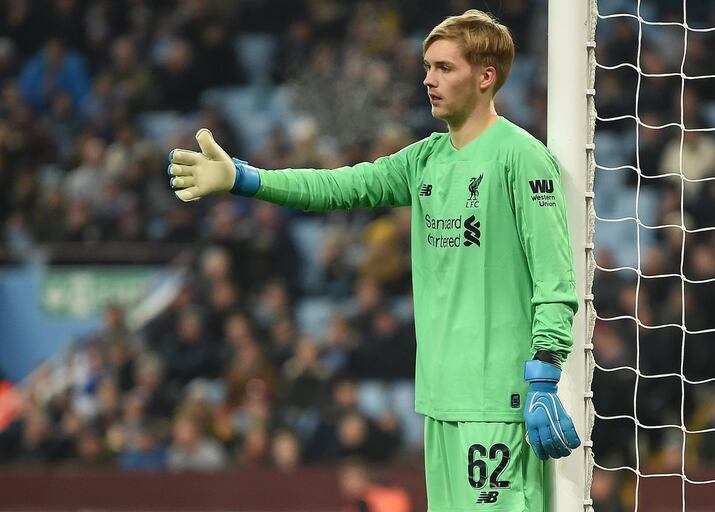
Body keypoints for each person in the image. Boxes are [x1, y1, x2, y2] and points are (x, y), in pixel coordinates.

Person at [167, 9, 580, 511]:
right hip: (441, 399)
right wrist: (246, 179)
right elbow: (338, 186)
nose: (428, 79)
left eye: (445, 68)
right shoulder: (425, 159)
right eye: (427, 66)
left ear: (486, 76)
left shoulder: (523, 158)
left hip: (498, 401)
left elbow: (556, 280)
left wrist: (544, 375)